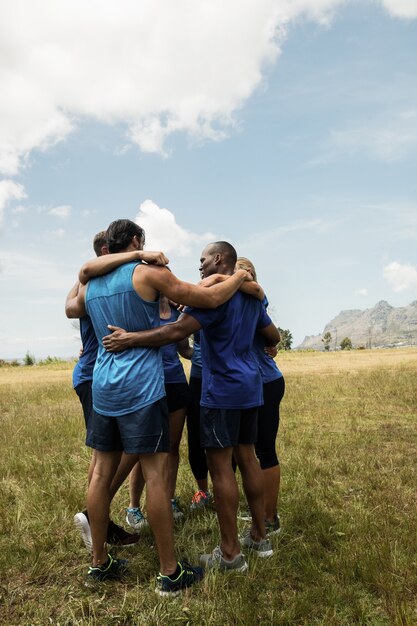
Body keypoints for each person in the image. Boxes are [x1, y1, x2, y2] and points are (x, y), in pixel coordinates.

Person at [66, 221, 251, 593]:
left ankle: (99, 564)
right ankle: (169, 572)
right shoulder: (149, 274)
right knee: (155, 472)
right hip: (141, 387)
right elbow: (210, 299)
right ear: (137, 242)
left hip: (103, 385)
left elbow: (75, 297)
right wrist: (240, 276)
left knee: (101, 473)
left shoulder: (92, 285)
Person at [101, 241, 280, 573]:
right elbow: (271, 334)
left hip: (221, 392)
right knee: (249, 457)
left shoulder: (214, 299)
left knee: (221, 468)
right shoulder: (252, 296)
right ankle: (260, 536)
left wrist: (131, 338)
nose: (199, 266)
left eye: (202, 260)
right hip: (250, 388)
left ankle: (230, 553)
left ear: (218, 259)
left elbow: (176, 332)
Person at [66, 230, 145, 550]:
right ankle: (96, 517)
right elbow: (71, 308)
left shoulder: (108, 279)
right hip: (94, 375)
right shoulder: (94, 280)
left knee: (114, 454)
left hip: (100, 374)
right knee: (109, 457)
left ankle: (99, 521)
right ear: (104, 250)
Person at [125, 295, 192, 529]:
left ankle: (169, 499)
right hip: (148, 383)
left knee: (172, 446)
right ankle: (133, 508)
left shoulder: (178, 312)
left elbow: (185, 349)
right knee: (144, 448)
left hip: (175, 382)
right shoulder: (141, 309)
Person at [235, 257, 285, 535]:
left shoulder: (255, 297)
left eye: (249, 272)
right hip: (251, 383)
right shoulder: (234, 302)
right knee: (250, 451)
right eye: (240, 272)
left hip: (266, 382)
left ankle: (270, 518)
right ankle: (260, 510)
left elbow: (272, 336)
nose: (244, 276)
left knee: (265, 450)